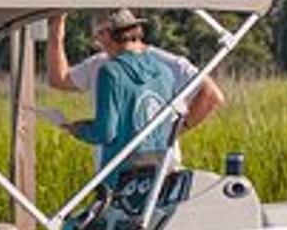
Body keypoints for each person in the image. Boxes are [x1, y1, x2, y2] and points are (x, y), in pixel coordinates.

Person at [47, 9, 223, 166]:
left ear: (107, 33)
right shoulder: (103, 63)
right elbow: (59, 79)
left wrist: (78, 129)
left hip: (120, 171)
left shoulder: (113, 70)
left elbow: (211, 95)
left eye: (99, 34)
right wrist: (56, 31)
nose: (97, 41)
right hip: (160, 165)